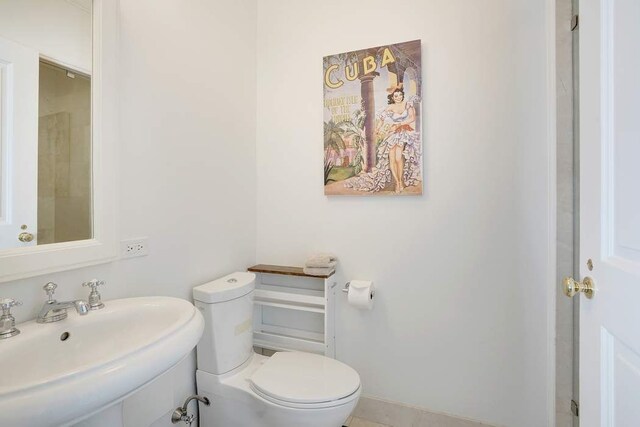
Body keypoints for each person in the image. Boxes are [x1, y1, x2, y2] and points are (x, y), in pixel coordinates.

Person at [345, 83, 421, 193]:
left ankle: (400, 180)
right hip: (391, 133)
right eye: (396, 96)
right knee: (392, 159)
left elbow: (412, 118)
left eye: (400, 95)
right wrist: (377, 130)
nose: (398, 97)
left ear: (402, 95)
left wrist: (399, 125)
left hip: (403, 132)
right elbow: (381, 119)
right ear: (392, 97)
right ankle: (397, 183)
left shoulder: (407, 104)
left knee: (398, 158)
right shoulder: (389, 107)